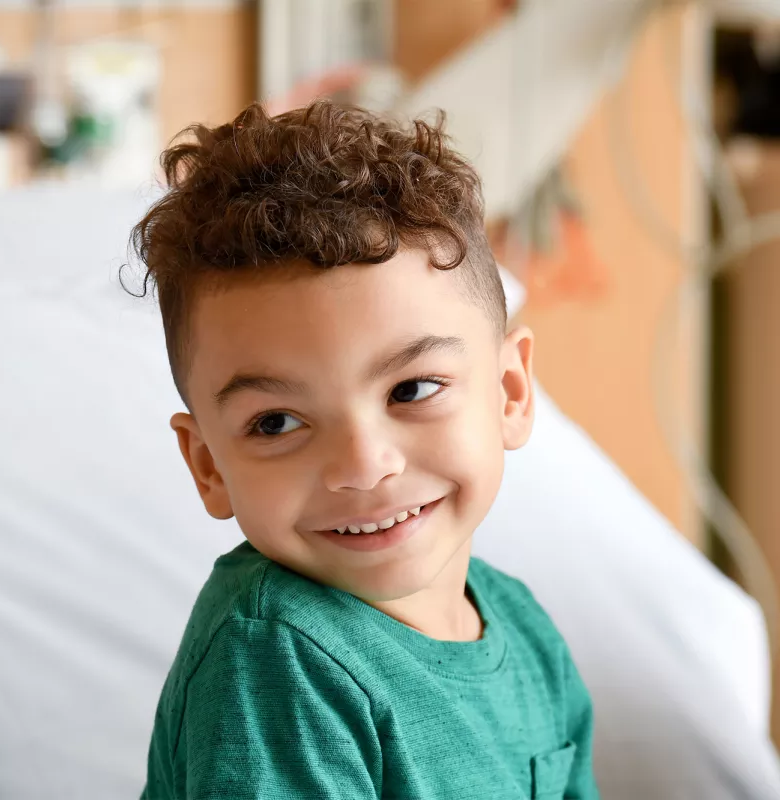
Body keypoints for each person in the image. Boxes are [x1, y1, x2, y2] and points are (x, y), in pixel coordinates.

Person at [132, 100, 600, 800]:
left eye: (411, 389)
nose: (363, 464)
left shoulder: (525, 630)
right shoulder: (276, 658)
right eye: (277, 423)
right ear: (207, 465)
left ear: (509, 390)